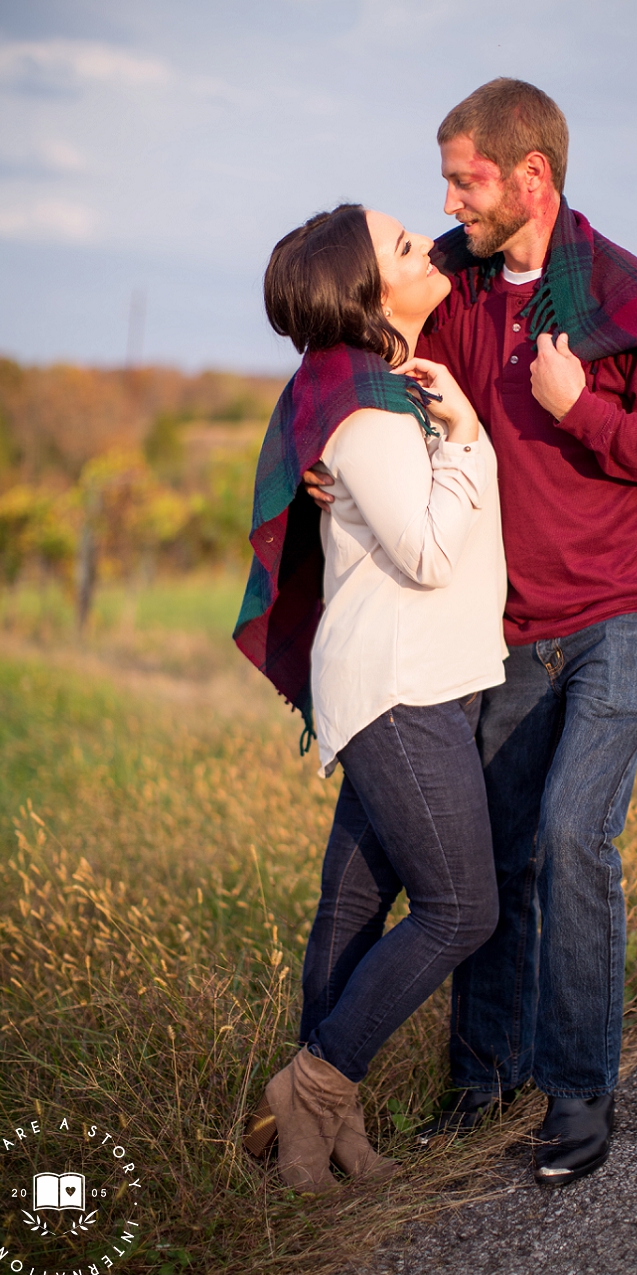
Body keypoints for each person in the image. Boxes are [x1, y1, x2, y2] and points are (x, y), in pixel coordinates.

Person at [304, 80, 637, 1187]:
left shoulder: (620, 294)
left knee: (569, 835)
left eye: (465, 180)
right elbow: (358, 347)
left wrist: (580, 407)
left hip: (627, 614)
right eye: (448, 180)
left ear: (532, 178)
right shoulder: (455, 294)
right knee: (494, 858)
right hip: (510, 632)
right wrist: (333, 461)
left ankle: (577, 1091)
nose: (449, 200)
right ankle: (484, 1081)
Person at [234, 203, 507, 1193]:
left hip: (408, 679)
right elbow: (432, 551)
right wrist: (469, 437)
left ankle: (324, 1145)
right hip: (402, 687)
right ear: (368, 295)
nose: (423, 247)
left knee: (350, 908)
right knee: (461, 907)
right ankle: (311, 1089)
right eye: (401, 247)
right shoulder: (365, 405)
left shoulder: (372, 389)